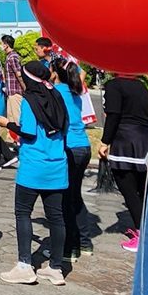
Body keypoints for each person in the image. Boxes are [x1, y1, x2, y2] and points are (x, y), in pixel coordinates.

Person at [0, 61, 69, 286]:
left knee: (23, 213)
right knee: (56, 217)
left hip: (33, 166)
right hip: (57, 165)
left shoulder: (30, 100)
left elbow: (28, 132)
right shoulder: (57, 96)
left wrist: (7, 123)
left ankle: (25, 266)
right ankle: (56, 268)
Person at [100, 73, 148, 253]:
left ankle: (142, 236)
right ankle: (147, 231)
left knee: (129, 191)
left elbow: (113, 116)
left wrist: (105, 141)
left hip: (126, 142)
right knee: (142, 191)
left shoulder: (114, 86)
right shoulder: (140, 86)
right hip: (147, 140)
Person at [51, 57, 94, 259]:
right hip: (84, 146)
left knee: (65, 199)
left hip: (70, 148)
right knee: (75, 196)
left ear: (55, 73)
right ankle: (84, 243)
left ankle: (70, 248)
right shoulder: (76, 90)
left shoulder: (57, 91)